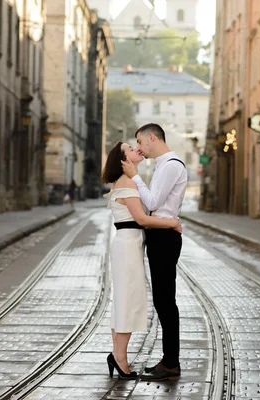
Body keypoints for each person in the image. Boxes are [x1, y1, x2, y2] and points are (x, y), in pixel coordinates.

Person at [102, 141, 182, 380]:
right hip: (128, 246)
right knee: (128, 300)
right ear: (122, 159)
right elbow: (143, 219)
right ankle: (120, 358)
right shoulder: (127, 182)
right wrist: (172, 223)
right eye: (130, 148)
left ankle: (117, 354)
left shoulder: (127, 180)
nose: (137, 148)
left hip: (128, 244)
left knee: (125, 300)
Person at [121, 123, 187, 381]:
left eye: (139, 141)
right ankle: (169, 359)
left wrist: (135, 176)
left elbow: (153, 202)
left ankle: (171, 363)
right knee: (162, 300)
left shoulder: (170, 165)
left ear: (151, 138)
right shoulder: (163, 165)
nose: (138, 147)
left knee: (165, 301)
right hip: (161, 235)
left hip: (165, 237)